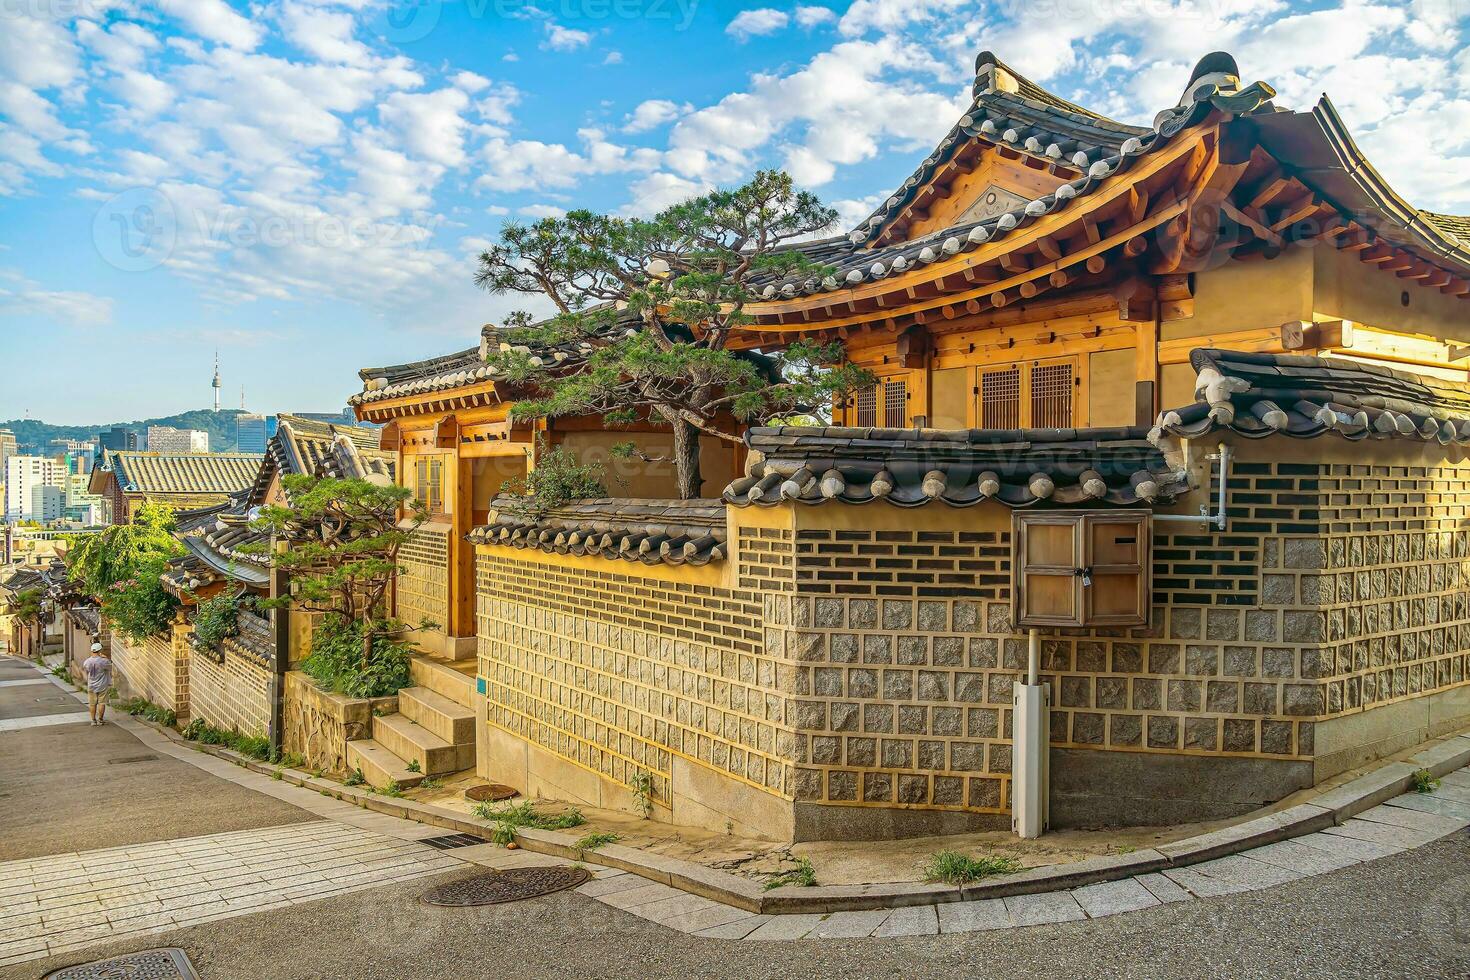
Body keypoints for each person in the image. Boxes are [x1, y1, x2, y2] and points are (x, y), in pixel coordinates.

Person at [81, 641, 112, 726]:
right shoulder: (103, 661)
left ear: (92, 651)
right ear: (100, 651)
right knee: (101, 702)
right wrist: (106, 658)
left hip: (91, 685)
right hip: (102, 684)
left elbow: (84, 670)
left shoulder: (87, 661)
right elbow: (110, 666)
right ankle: (100, 720)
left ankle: (93, 720)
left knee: (92, 703)